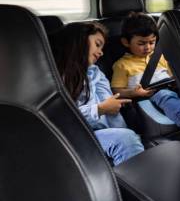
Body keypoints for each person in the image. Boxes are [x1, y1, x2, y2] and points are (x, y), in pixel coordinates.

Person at [53, 22, 145, 165]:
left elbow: (111, 109)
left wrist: (125, 131)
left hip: (98, 133)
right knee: (125, 139)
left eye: (102, 47)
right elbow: (62, 118)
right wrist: (99, 109)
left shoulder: (96, 73)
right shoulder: (57, 76)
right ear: (80, 41)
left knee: (128, 137)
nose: (101, 52)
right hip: (72, 135)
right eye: (97, 44)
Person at [111, 12, 180, 131]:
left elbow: (172, 76)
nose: (148, 47)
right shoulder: (122, 65)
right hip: (147, 98)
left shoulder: (160, 57)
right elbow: (116, 91)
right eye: (141, 43)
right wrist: (134, 93)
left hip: (170, 90)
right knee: (165, 95)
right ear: (126, 42)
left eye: (152, 42)